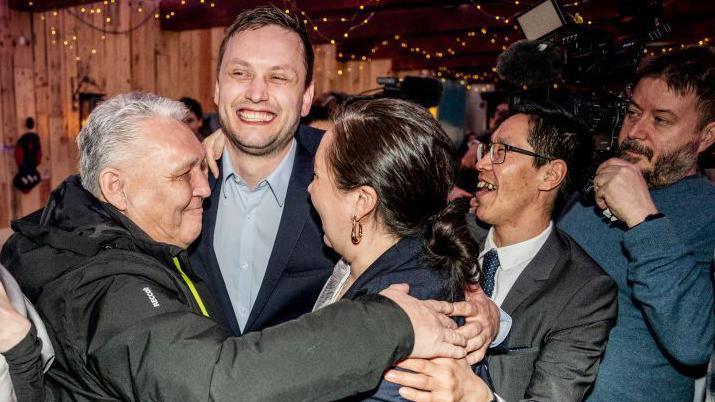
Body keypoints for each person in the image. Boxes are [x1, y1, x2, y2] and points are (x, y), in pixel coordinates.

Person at [0, 92, 481, 401]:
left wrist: (491, 318)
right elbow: (214, 381)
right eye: (181, 174)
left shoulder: (122, 237)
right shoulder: (108, 285)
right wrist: (388, 321)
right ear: (117, 189)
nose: (206, 188)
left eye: (200, 166)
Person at [190, 5, 504, 352]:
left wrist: (486, 308)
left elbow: (434, 238)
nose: (256, 92)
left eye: (278, 77)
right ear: (217, 87)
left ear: (306, 96)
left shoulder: (346, 166)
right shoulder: (181, 175)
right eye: (240, 73)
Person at [387, 103, 618, 401]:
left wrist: (476, 397)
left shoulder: (584, 291)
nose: (481, 164)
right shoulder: (446, 233)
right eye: (487, 150)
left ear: (550, 175)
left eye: (502, 152)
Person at [308, 98, 493, 400]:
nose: (310, 188)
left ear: (361, 202)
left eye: (317, 176)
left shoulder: (406, 319)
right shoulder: (388, 259)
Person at [558, 46, 715, 401]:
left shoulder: (708, 213)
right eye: (632, 113)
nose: (635, 132)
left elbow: (693, 344)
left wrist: (643, 218)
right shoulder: (590, 184)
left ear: (706, 136)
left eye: (661, 120)